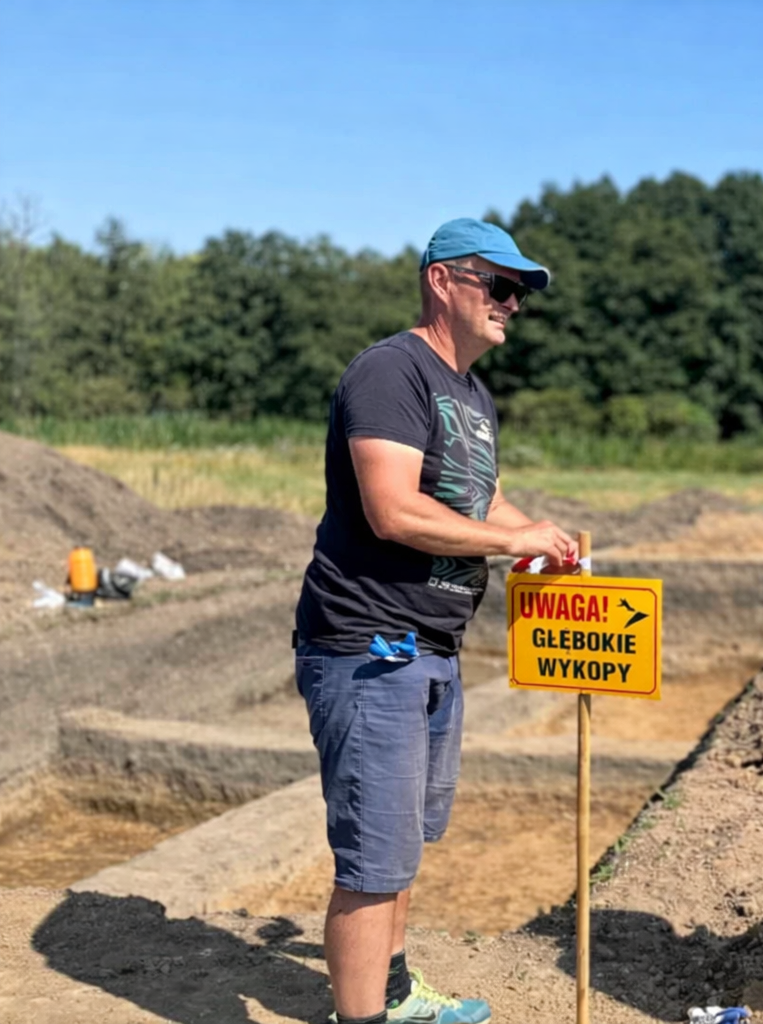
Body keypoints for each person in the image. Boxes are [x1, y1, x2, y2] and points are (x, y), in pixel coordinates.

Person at [293, 218, 579, 1024]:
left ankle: (393, 994)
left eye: (519, 293)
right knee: (372, 860)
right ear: (443, 280)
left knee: (403, 842)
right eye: (501, 285)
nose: (513, 303)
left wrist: (542, 538)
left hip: (431, 648)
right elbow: (391, 509)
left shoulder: (472, 395)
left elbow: (480, 499)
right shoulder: (392, 371)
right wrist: (512, 542)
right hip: (371, 645)